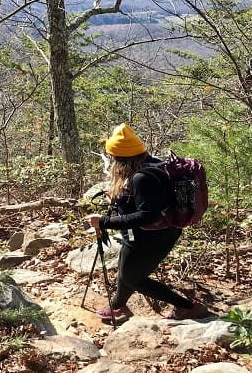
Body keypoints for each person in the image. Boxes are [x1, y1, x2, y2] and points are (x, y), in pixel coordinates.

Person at [86, 123, 208, 322]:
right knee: (127, 269)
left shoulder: (142, 178)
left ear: (120, 159)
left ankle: (188, 307)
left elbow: (147, 215)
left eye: (112, 157)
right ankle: (118, 306)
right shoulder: (151, 164)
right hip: (150, 233)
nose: (111, 161)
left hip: (151, 238)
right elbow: (150, 201)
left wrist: (104, 222)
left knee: (132, 277)